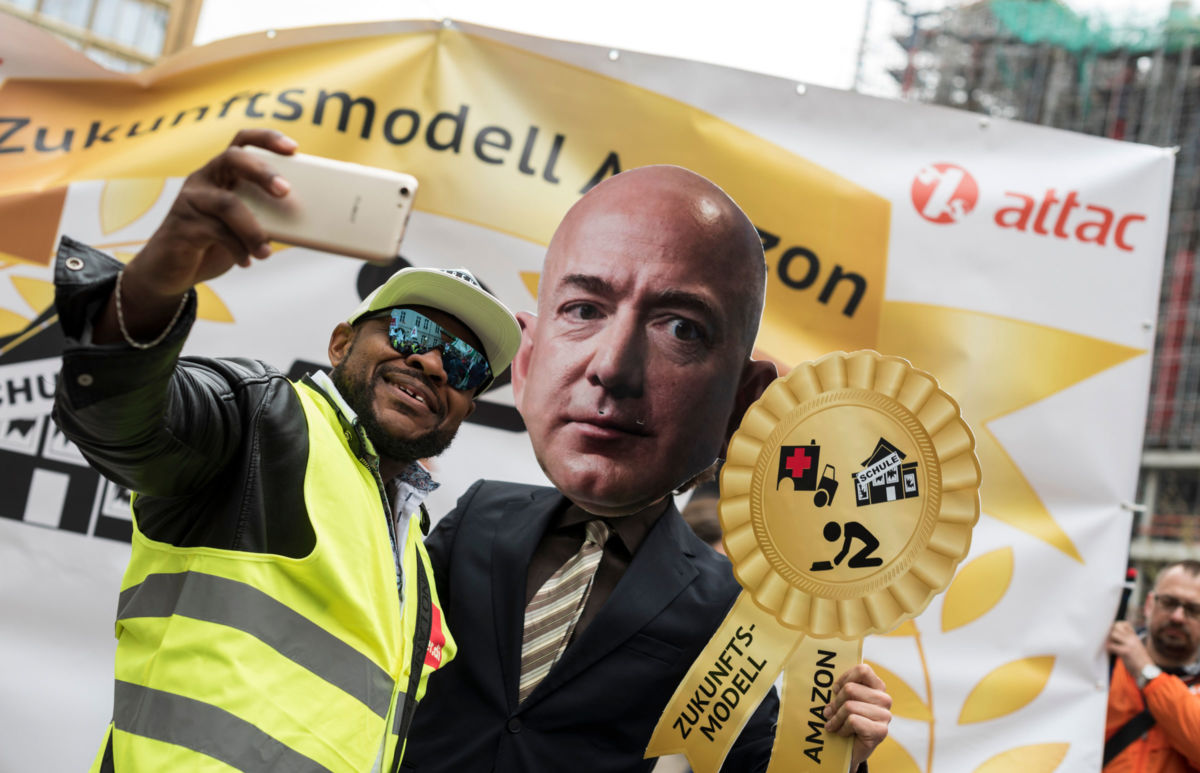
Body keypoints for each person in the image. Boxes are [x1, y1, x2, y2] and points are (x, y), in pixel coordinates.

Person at [51, 129, 521, 773]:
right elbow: (117, 414)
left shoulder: (413, 546)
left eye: (465, 364)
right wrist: (164, 268)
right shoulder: (262, 420)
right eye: (411, 329)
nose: (432, 361)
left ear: (468, 403)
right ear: (338, 345)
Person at [403, 165, 892, 772]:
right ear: (526, 363)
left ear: (743, 402)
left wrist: (836, 753)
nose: (612, 366)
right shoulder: (475, 517)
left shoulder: (730, 614)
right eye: (583, 309)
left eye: (681, 329)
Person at [1105, 560, 1200, 772]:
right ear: (1149, 604)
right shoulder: (1107, 661)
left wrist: (1145, 672)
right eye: (1168, 602)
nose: (1177, 617)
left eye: (1193, 610)